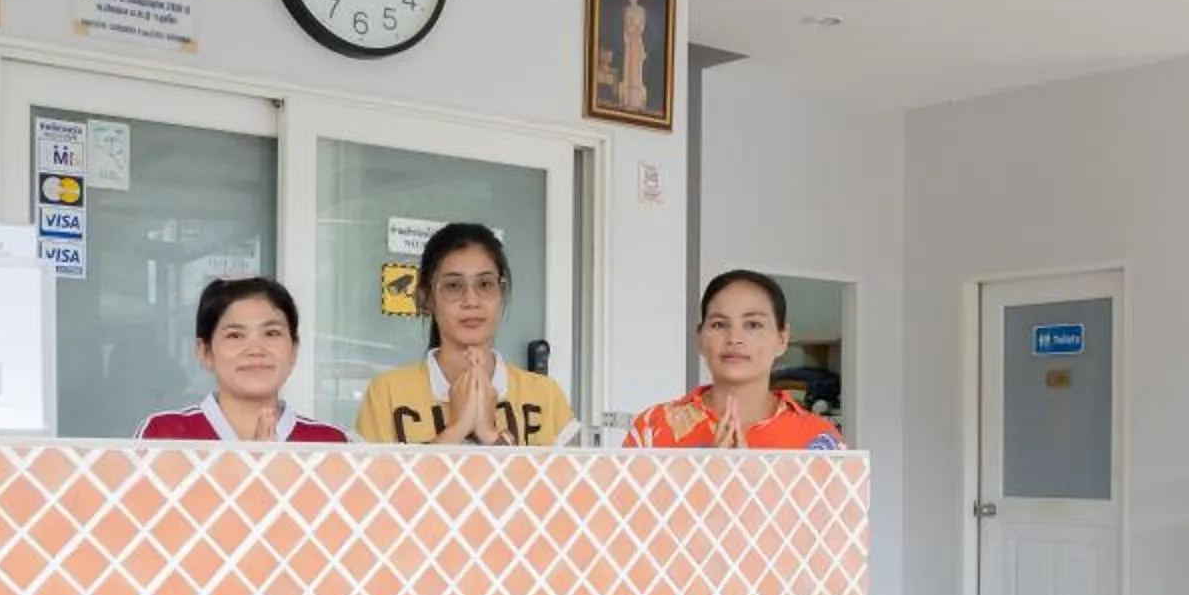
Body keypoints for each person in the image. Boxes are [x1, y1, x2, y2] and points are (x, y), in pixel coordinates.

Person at [354, 223, 575, 447]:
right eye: (453, 286)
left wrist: (489, 434)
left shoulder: (547, 396)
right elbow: (373, 472)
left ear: (501, 292)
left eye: (485, 284)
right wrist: (457, 428)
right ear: (427, 297)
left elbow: (573, 472)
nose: (471, 301)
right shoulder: (387, 393)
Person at [629, 269, 846, 451]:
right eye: (719, 324)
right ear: (700, 337)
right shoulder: (652, 429)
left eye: (753, 325)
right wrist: (707, 476)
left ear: (782, 338)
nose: (734, 338)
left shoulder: (820, 440)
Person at [137, 277, 347, 443]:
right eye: (235, 335)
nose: (255, 350)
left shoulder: (330, 443)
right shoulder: (162, 435)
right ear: (205, 352)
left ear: (294, 349)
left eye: (271, 333)